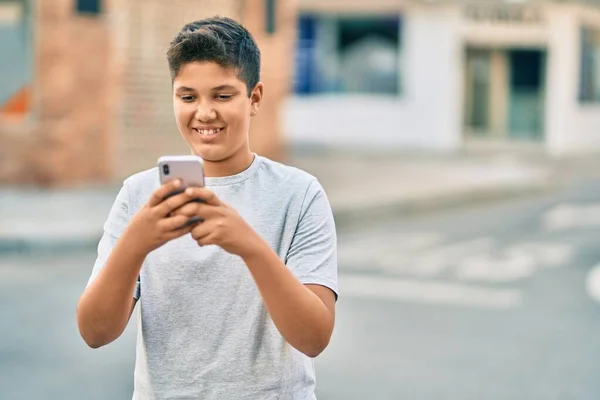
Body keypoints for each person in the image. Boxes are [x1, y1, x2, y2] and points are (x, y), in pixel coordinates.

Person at [76, 16, 338, 400]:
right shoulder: (139, 195)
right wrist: (136, 243)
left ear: (255, 98)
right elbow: (95, 332)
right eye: (187, 97)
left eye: (222, 95)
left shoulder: (299, 194)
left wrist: (248, 245)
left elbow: (314, 337)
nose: (204, 113)